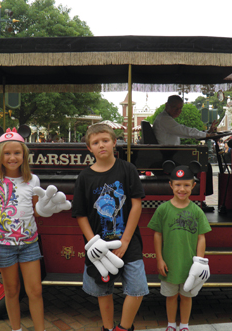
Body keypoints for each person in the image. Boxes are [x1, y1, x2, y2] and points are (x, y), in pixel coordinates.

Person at [0, 128, 70, 331]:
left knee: (35, 291)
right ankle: (16, 329)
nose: (12, 157)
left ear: (24, 155)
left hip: (29, 243)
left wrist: (47, 208)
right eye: (7, 153)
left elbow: (36, 211)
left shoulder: (33, 180)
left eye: (17, 153)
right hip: (3, 245)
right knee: (11, 290)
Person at [72, 123, 148, 331]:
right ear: (89, 148)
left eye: (105, 140)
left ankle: (123, 328)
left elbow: (136, 206)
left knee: (137, 288)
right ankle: (107, 327)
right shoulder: (84, 177)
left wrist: (125, 241)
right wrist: (93, 243)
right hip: (99, 246)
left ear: (115, 142)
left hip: (128, 242)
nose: (101, 145)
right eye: (95, 142)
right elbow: (80, 214)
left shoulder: (127, 169)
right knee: (103, 290)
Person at [147, 165, 211, 331]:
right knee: (170, 296)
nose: (182, 189)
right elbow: (157, 235)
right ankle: (170, 325)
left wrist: (200, 263)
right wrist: (159, 259)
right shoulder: (163, 210)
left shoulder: (197, 211)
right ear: (171, 185)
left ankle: (184, 325)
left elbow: (201, 237)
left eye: (186, 185)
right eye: (177, 185)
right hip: (169, 264)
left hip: (189, 265)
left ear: (193, 186)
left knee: (187, 297)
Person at [153, 95, 217, 145]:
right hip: (167, 155)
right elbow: (185, 131)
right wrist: (207, 135)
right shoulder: (164, 119)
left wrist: (207, 133)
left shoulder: (163, 118)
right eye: (174, 107)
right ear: (167, 105)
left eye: (180, 108)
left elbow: (186, 132)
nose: (178, 111)